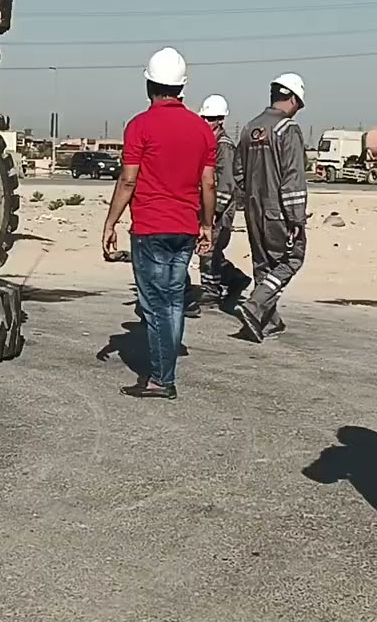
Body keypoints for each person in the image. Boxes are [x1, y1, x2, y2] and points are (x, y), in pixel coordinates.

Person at [102, 47, 216, 400]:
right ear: (182, 87)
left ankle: (161, 379)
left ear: (149, 84)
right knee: (173, 301)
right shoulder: (202, 130)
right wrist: (208, 226)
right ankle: (164, 371)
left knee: (154, 304)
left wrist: (111, 222)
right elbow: (208, 183)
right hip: (184, 227)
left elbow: (128, 180)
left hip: (150, 228)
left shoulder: (139, 126)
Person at [231, 73, 308, 342]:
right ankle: (254, 307)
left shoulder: (249, 128)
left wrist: (251, 196)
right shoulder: (287, 130)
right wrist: (296, 220)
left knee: (263, 264)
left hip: (253, 209)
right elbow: (293, 179)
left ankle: (268, 320)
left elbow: (237, 171)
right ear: (292, 98)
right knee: (291, 259)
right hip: (278, 212)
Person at [194, 94, 251, 308]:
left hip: (220, 208)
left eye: (211, 119)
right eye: (205, 118)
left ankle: (211, 288)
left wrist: (216, 209)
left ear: (220, 120)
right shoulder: (208, 143)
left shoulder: (224, 147)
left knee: (208, 249)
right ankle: (235, 279)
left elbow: (227, 182)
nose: (206, 122)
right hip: (207, 205)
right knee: (211, 249)